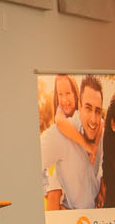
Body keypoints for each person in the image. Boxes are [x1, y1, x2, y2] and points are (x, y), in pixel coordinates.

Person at [43, 74, 104, 211]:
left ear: (76, 94)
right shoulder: (61, 120)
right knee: (54, 189)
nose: (64, 100)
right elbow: (60, 123)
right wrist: (88, 146)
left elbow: (101, 122)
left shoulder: (89, 117)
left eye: (68, 93)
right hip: (60, 168)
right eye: (60, 94)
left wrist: (94, 147)